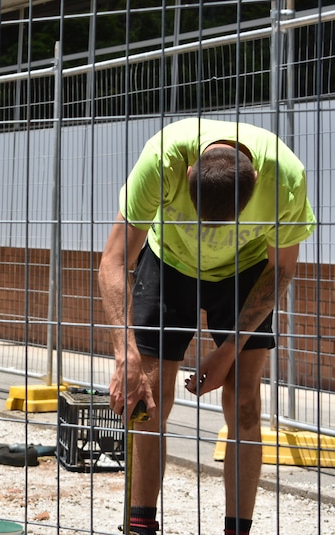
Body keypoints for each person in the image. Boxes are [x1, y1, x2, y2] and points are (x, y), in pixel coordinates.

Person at [98, 118, 316, 535]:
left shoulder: (285, 178)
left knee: (245, 400)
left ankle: (237, 529)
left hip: (246, 268)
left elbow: (282, 268)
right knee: (149, 394)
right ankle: (140, 526)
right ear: (188, 174)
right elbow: (113, 260)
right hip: (169, 261)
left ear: (256, 180)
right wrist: (124, 355)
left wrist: (228, 350)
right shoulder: (162, 158)